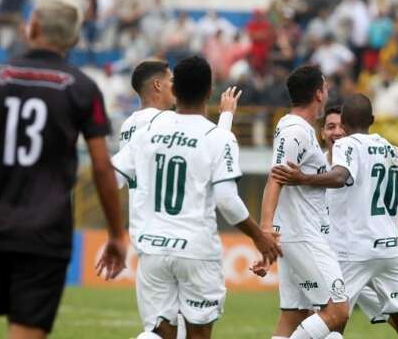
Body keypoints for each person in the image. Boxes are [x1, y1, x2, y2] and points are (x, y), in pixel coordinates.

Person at [0, 0, 126, 339]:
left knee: (18, 320)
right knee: (27, 329)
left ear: (29, 28)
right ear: (75, 39)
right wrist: (117, 234)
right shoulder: (82, 88)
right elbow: (102, 167)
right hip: (44, 228)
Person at [112, 56, 281, 339]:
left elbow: (111, 176)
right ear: (209, 90)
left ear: (175, 90)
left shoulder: (146, 131)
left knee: (159, 332)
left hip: (151, 245)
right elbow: (226, 199)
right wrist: (258, 236)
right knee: (197, 335)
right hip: (195, 249)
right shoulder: (217, 137)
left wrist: (113, 231)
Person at [271, 95, 398, 339]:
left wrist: (302, 178)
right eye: (329, 127)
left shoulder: (346, 148)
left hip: (349, 252)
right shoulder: (393, 150)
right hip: (388, 253)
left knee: (333, 317)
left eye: (338, 126)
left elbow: (340, 177)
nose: (336, 132)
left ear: (344, 124)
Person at [259, 65, 349, 339]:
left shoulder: (299, 129)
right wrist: (264, 230)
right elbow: (275, 178)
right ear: (319, 93)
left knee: (293, 314)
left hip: (296, 234)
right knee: (337, 311)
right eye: (326, 87)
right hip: (303, 236)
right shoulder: (295, 130)